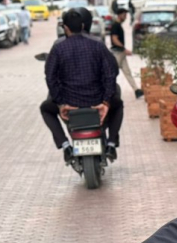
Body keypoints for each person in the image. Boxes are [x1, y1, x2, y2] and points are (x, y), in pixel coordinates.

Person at [45, 9, 121, 161]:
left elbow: (50, 77)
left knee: (45, 109)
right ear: (83, 25)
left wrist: (61, 104)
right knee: (118, 105)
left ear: (65, 28)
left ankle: (65, 145)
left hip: (70, 103)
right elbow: (110, 74)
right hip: (97, 101)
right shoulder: (98, 44)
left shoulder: (58, 47)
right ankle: (111, 143)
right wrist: (105, 101)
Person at [110, 8, 143, 99]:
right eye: (124, 15)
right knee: (112, 72)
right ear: (119, 15)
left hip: (121, 53)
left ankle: (137, 90)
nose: (125, 17)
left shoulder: (118, 25)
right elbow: (114, 39)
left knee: (127, 72)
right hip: (117, 53)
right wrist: (124, 49)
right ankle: (108, 91)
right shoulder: (115, 26)